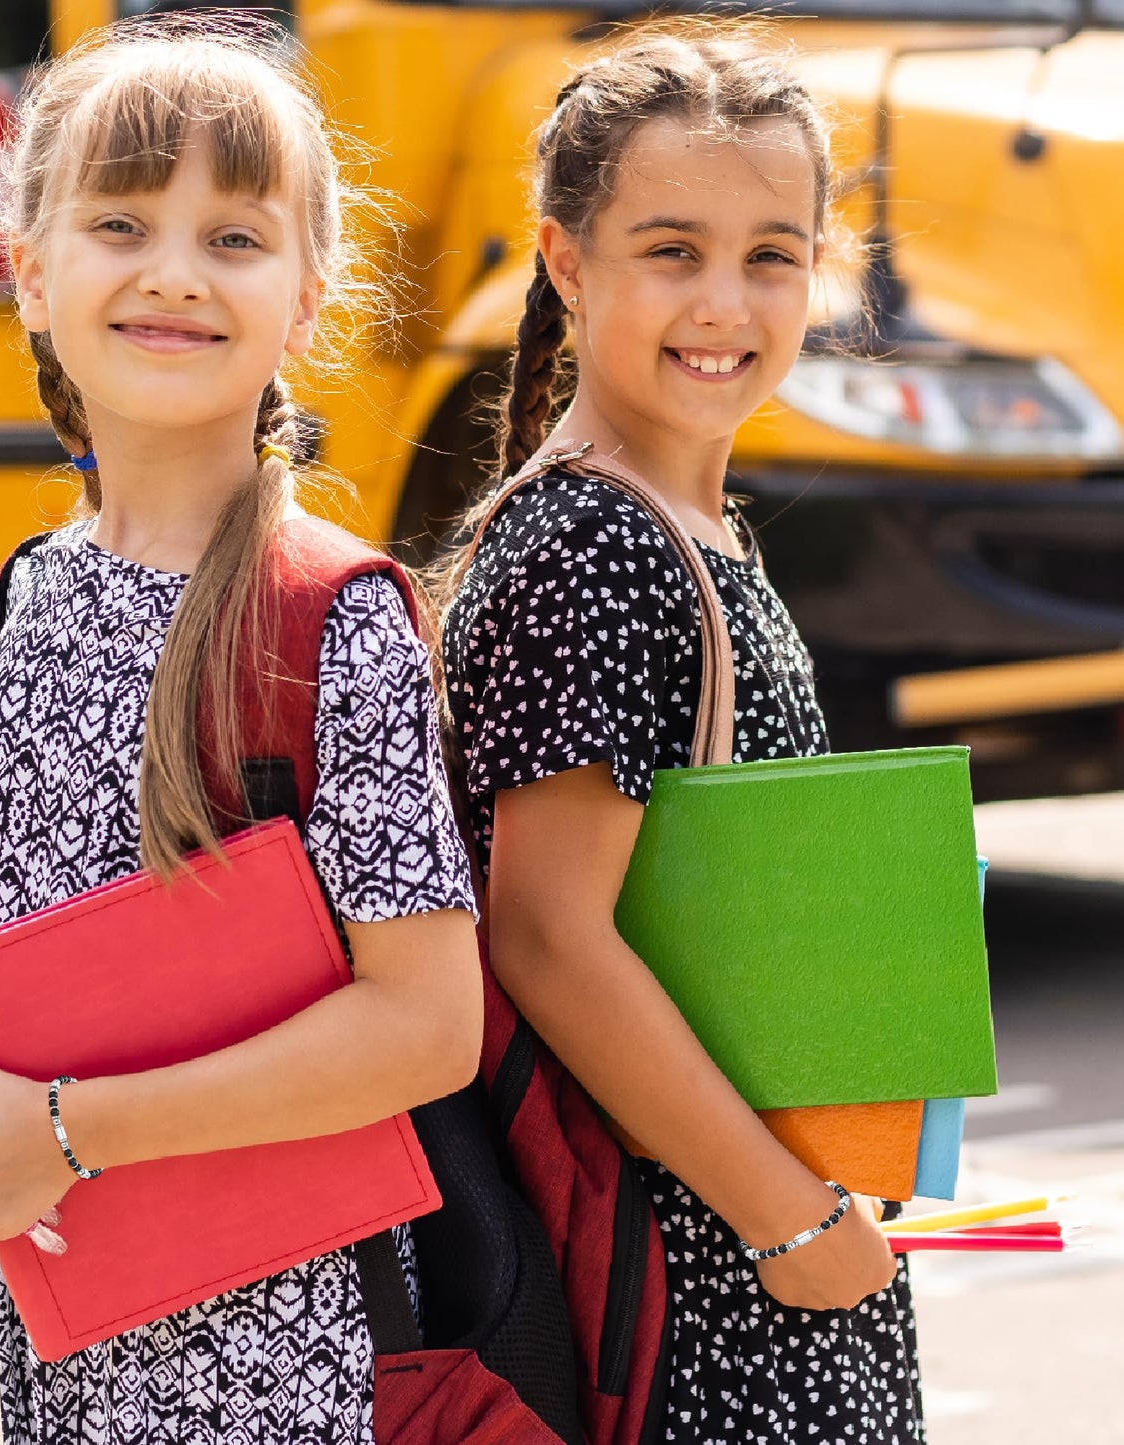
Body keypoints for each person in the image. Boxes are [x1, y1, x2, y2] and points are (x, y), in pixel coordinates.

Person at [0, 18, 482, 1444]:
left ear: (306, 296)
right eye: (118, 221)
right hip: (74, 1332)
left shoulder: (330, 618)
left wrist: (65, 1130)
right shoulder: (30, 595)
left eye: (232, 235)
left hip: (291, 1363)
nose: (170, 270)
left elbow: (427, 1022)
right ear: (30, 274)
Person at [437, 30, 926, 1445]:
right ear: (565, 261)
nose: (724, 301)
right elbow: (548, 936)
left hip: (758, 1237)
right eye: (671, 249)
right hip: (701, 1284)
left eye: (772, 256)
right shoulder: (592, 543)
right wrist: (786, 1219)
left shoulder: (684, 531)